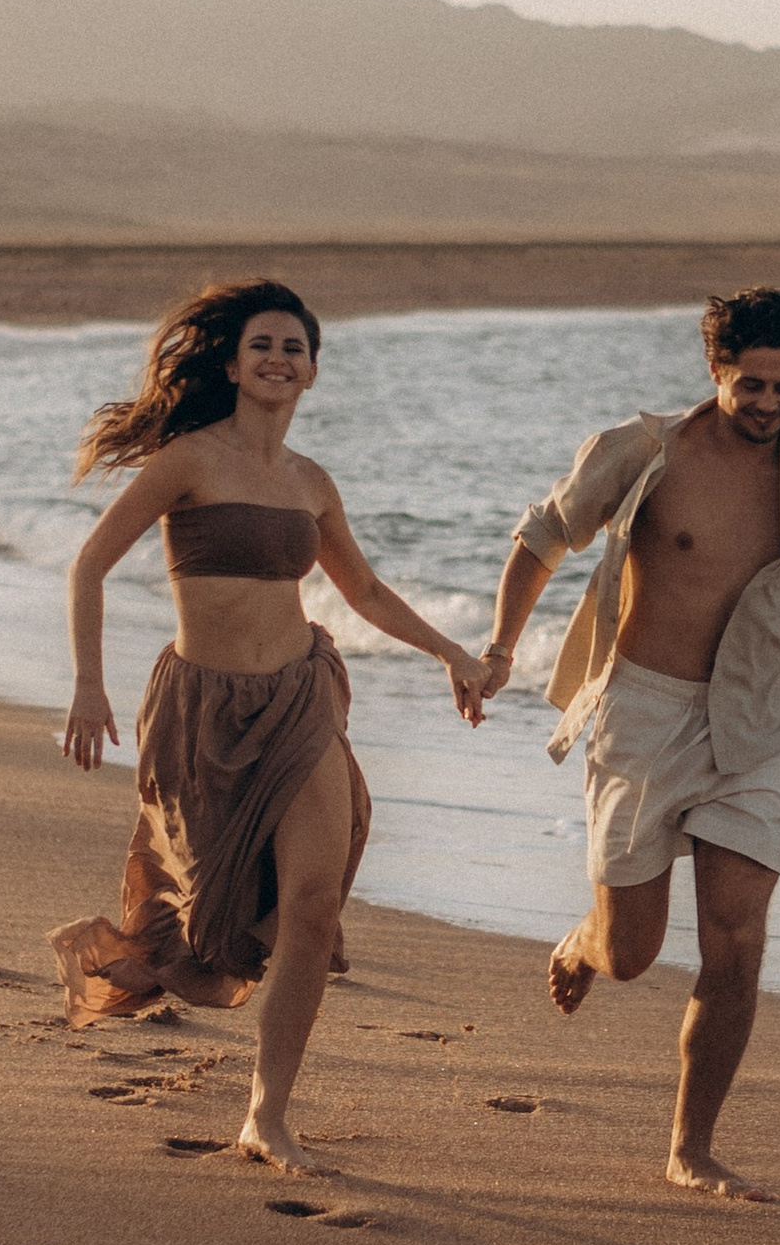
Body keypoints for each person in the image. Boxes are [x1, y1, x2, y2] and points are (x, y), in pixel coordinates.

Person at [51, 278, 490, 1175]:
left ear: (314, 371)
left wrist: (454, 653)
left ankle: (267, 1114)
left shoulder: (309, 483)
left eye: (294, 348)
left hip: (299, 699)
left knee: (315, 905)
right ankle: (132, 961)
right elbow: (90, 567)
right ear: (231, 360)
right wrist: (88, 687)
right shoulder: (189, 460)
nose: (278, 360)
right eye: (262, 345)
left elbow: (361, 592)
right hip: (202, 708)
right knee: (205, 909)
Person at [481, 286, 780, 1201]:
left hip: (753, 721)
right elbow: (544, 536)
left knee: (737, 947)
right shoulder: (644, 449)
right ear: (716, 370)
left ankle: (690, 1149)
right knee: (632, 951)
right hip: (642, 710)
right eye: (753, 385)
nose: (770, 406)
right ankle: (583, 945)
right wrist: (501, 648)